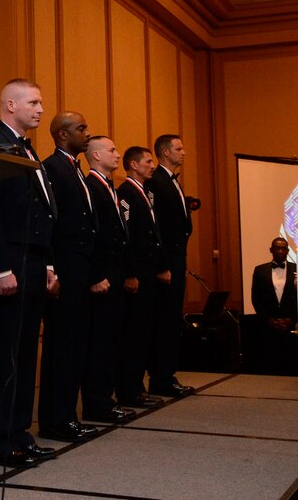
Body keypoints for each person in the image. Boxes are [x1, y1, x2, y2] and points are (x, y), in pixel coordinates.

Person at [0, 79, 59, 468]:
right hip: (11, 261)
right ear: (10, 104)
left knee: (27, 351)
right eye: (33, 102)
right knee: (7, 356)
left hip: (32, 261)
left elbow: (40, 212)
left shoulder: (28, 148)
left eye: (41, 102)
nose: (41, 109)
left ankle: (18, 432)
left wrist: (46, 263)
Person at [37, 112, 100, 442]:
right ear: (62, 135)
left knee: (75, 345)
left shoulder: (75, 168)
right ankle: (55, 419)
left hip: (81, 269)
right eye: (81, 129)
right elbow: (52, 222)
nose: (87, 134)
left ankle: (67, 415)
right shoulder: (53, 168)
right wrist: (52, 269)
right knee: (61, 347)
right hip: (65, 269)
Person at [81, 136, 135, 423]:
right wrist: (97, 274)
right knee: (100, 342)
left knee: (111, 339)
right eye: (112, 150)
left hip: (115, 274)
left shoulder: (109, 187)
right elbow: (94, 236)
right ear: (97, 155)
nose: (117, 154)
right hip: (102, 276)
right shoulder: (92, 187)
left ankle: (106, 398)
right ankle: (97, 403)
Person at [144, 134, 195, 397]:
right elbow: (156, 229)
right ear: (165, 152)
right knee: (164, 320)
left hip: (177, 258)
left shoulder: (172, 182)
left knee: (172, 318)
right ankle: (161, 377)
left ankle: (167, 374)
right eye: (179, 148)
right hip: (165, 262)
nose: (183, 153)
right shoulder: (156, 182)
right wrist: (162, 265)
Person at [115, 146, 165, 409]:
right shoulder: (126, 193)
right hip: (137, 271)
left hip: (148, 269)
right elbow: (128, 238)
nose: (152, 165)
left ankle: (137, 386)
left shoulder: (145, 193)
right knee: (133, 333)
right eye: (147, 161)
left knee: (143, 331)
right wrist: (131, 272)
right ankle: (130, 390)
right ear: (133, 165)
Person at [249, 237, 298, 375]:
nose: (280, 251)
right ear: (271, 250)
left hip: (291, 325)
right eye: (277, 248)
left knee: (292, 364)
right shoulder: (260, 270)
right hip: (268, 325)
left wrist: (291, 319)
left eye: (284, 248)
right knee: (270, 363)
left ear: (288, 251)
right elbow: (256, 298)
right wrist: (268, 319)